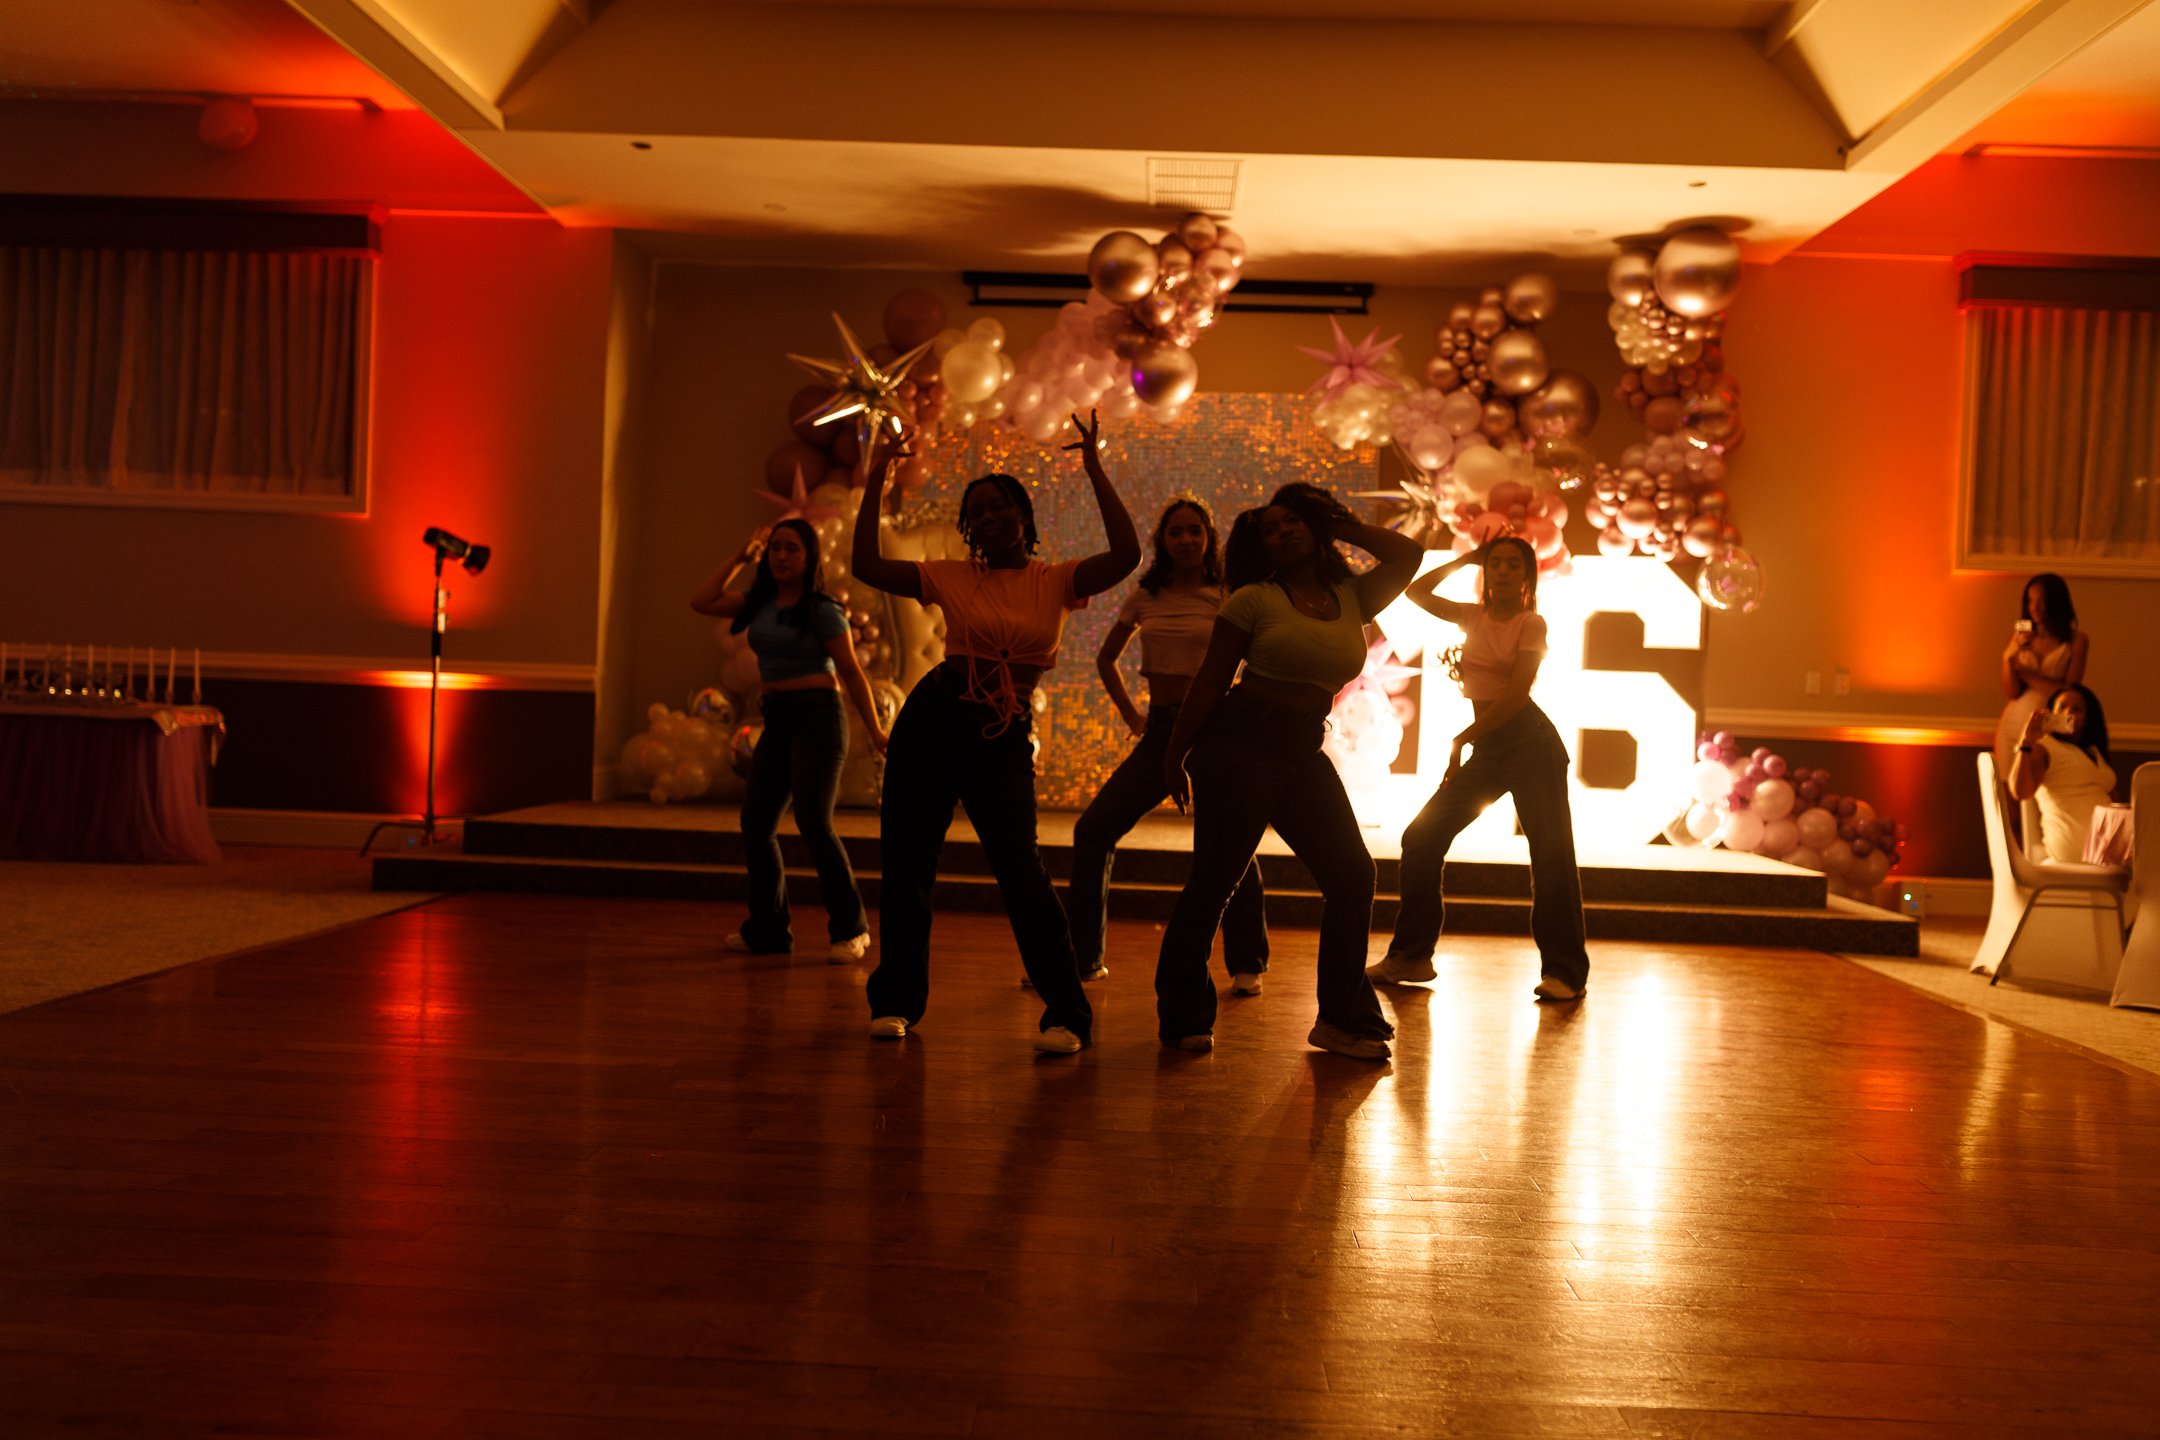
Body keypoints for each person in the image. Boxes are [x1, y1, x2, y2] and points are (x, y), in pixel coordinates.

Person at [850, 412, 1140, 1055]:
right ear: (967, 527)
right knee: (908, 864)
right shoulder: (951, 575)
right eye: (975, 512)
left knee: (1021, 869)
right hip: (935, 716)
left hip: (1002, 730)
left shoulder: (1055, 581)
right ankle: (895, 1001)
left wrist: (1095, 467)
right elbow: (866, 563)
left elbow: (1128, 554)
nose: (987, 519)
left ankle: (1067, 1012)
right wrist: (876, 478)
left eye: (999, 507)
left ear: (1023, 517)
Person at [1156, 483, 1421, 1059]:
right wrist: (1174, 753)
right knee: (1215, 881)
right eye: (1272, 528)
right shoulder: (1253, 599)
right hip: (1239, 741)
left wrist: (1339, 523)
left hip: (1302, 746)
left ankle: (1340, 1019)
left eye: (1294, 521)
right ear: (1263, 548)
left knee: (1352, 874)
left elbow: (1408, 556)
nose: (1285, 531)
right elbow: (1209, 681)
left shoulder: (1350, 596)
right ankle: (1182, 1014)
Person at [1366, 535, 1590, 1004]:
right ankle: (1412, 956)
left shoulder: (1533, 624)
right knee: (1422, 837)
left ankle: (1566, 972)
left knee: (1550, 857)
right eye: (1496, 564)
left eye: (1513, 565)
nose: (1503, 572)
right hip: (1491, 748)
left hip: (1531, 746)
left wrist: (1462, 738)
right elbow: (1418, 592)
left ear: (1528, 577)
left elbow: (1517, 694)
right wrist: (1467, 557)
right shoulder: (1472, 615)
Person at [1066, 497, 1269, 991]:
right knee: (1093, 831)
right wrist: (1132, 715)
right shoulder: (1145, 595)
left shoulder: (1227, 592)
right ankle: (1083, 957)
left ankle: (1247, 962)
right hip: (1161, 731)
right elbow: (1105, 659)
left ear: (1209, 539)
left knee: (1230, 842)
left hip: (1216, 730)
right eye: (1175, 532)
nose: (1185, 540)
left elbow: (1255, 653)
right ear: (1162, 541)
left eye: (1195, 531)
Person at [691, 517, 888, 959]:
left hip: (819, 718)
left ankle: (851, 928)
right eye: (775, 548)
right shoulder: (758, 601)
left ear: (808, 557)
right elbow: (701, 601)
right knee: (757, 824)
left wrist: (875, 730)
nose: (780, 556)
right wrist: (741, 558)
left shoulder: (822, 609)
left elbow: (852, 672)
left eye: (791, 549)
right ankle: (768, 930)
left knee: (814, 822)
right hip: (777, 718)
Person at [2010, 683, 2117, 865]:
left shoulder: (2093, 751)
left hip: (2109, 847)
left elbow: (2115, 801)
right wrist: (2025, 743)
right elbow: (2020, 792)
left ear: (2088, 719)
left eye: (2077, 709)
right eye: (2062, 707)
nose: (2068, 713)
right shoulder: (2044, 748)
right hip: (2074, 851)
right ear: (2052, 712)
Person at [1995, 572, 2088, 783]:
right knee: (2010, 793)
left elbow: (2068, 692)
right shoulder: (2020, 638)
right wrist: (2008, 658)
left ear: (2056, 602)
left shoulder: (2076, 640)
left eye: (2041, 601)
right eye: (2030, 600)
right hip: (2013, 722)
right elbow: (2012, 691)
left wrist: (2027, 673)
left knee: (2045, 793)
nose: (2034, 607)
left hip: (2052, 727)